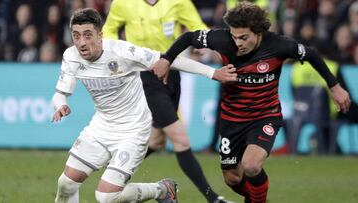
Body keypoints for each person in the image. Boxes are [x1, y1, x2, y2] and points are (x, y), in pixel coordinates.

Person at [151, 2, 352, 202]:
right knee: (232, 178)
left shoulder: (279, 45)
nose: (238, 42)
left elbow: (311, 54)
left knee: (251, 165)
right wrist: (166, 59)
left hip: (265, 116)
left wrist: (334, 86)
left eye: (244, 37)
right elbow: (188, 37)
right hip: (231, 119)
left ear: (258, 33)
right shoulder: (221, 39)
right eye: (234, 36)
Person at [52, 8, 237, 203]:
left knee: (106, 197)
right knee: (66, 183)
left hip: (133, 131)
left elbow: (170, 60)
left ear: (100, 35)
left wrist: (212, 73)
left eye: (88, 35)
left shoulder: (122, 51)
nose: (81, 42)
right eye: (76, 35)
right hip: (101, 126)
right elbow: (60, 93)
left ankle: (162, 190)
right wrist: (60, 105)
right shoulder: (71, 56)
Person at [103, 1, 235, 203]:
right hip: (144, 77)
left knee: (156, 140)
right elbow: (109, 32)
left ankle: (113, 172)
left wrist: (205, 46)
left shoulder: (179, 1)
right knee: (180, 139)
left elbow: (196, 24)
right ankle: (213, 198)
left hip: (172, 74)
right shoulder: (123, 3)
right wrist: (117, 57)